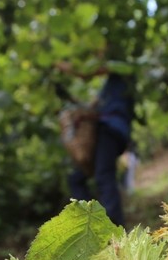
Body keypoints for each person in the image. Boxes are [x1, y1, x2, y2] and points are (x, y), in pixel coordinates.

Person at [56, 60, 137, 227]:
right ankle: (89, 223)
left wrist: (62, 65)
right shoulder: (107, 88)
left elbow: (86, 71)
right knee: (76, 178)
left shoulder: (122, 69)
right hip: (104, 131)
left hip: (111, 130)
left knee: (104, 175)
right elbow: (91, 106)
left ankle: (114, 227)